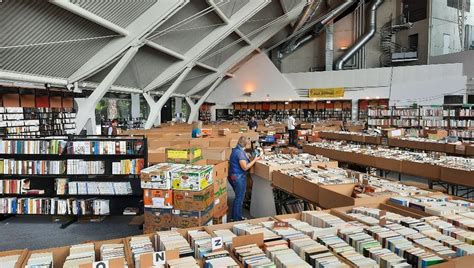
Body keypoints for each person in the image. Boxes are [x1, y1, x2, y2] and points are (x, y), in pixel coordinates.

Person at [228, 136, 261, 222]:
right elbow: (245, 167)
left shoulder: (236, 150)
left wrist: (248, 157)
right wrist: (255, 160)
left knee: (238, 197)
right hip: (238, 177)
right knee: (239, 198)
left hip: (233, 176)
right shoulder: (240, 153)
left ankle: (235, 217)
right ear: (245, 144)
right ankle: (236, 218)